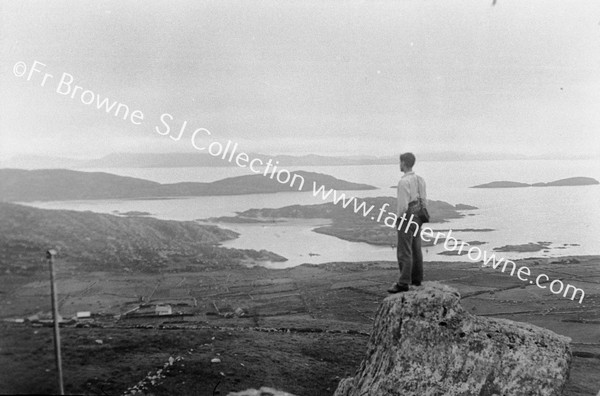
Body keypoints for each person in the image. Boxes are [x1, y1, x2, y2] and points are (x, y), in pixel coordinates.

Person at [388, 152, 427, 293]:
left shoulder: (404, 182)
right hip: (418, 217)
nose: (400, 164)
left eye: (400, 162)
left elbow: (403, 206)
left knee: (404, 251)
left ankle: (403, 282)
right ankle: (417, 280)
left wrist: (399, 219)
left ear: (404, 163)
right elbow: (424, 200)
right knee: (416, 249)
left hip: (406, 218)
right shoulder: (420, 180)